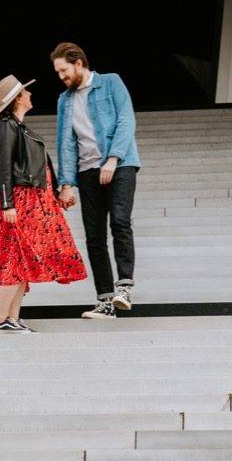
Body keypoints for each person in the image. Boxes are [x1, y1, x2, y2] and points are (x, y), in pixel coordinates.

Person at [0, 73, 86, 333]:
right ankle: (1, 319)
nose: (30, 95)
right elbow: (3, 168)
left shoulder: (19, 127)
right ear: (18, 99)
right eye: (25, 92)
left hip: (31, 199)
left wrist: (53, 196)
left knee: (21, 260)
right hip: (20, 200)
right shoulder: (7, 127)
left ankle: (12, 318)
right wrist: (8, 204)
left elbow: (39, 167)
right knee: (13, 257)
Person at [51, 42, 140, 321]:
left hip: (120, 163)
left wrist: (113, 159)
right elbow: (66, 143)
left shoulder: (111, 82)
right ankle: (105, 300)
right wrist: (67, 183)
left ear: (79, 63)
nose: (61, 76)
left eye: (64, 70)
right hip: (88, 171)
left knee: (120, 222)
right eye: (58, 72)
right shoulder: (64, 100)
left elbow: (126, 120)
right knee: (94, 235)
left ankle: (123, 288)